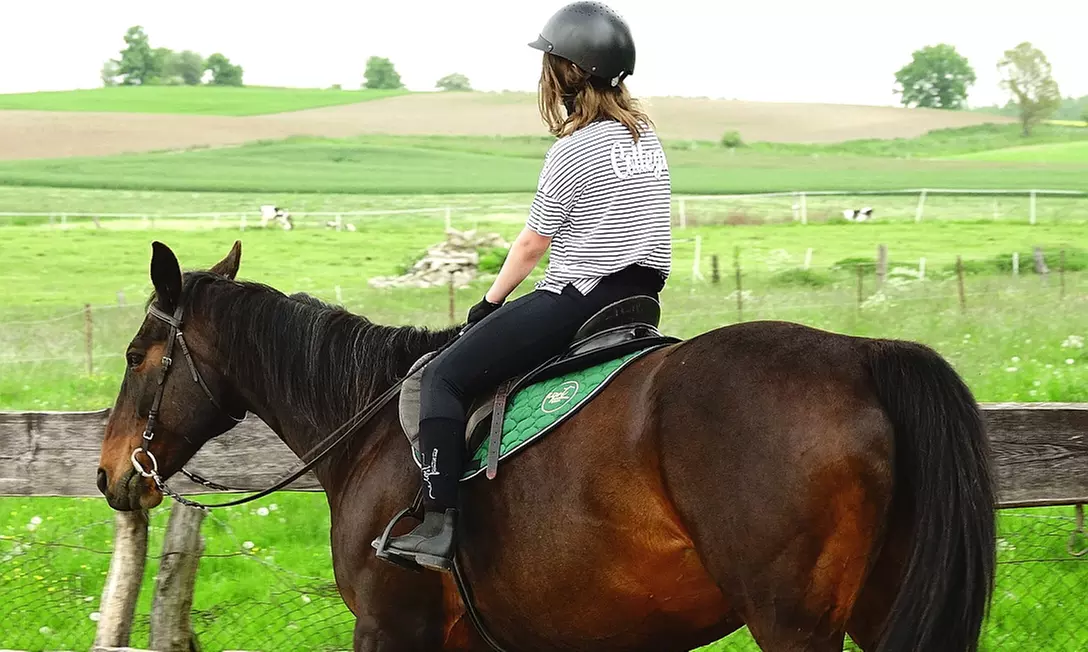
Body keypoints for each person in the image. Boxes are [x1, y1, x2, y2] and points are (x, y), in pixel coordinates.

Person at [379, 0, 672, 572]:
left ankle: (438, 524)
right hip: (640, 299)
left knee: (442, 377)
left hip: (580, 296)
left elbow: (533, 244)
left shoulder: (572, 148)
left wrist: (488, 304)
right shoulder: (646, 138)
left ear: (565, 73)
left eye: (549, 63)